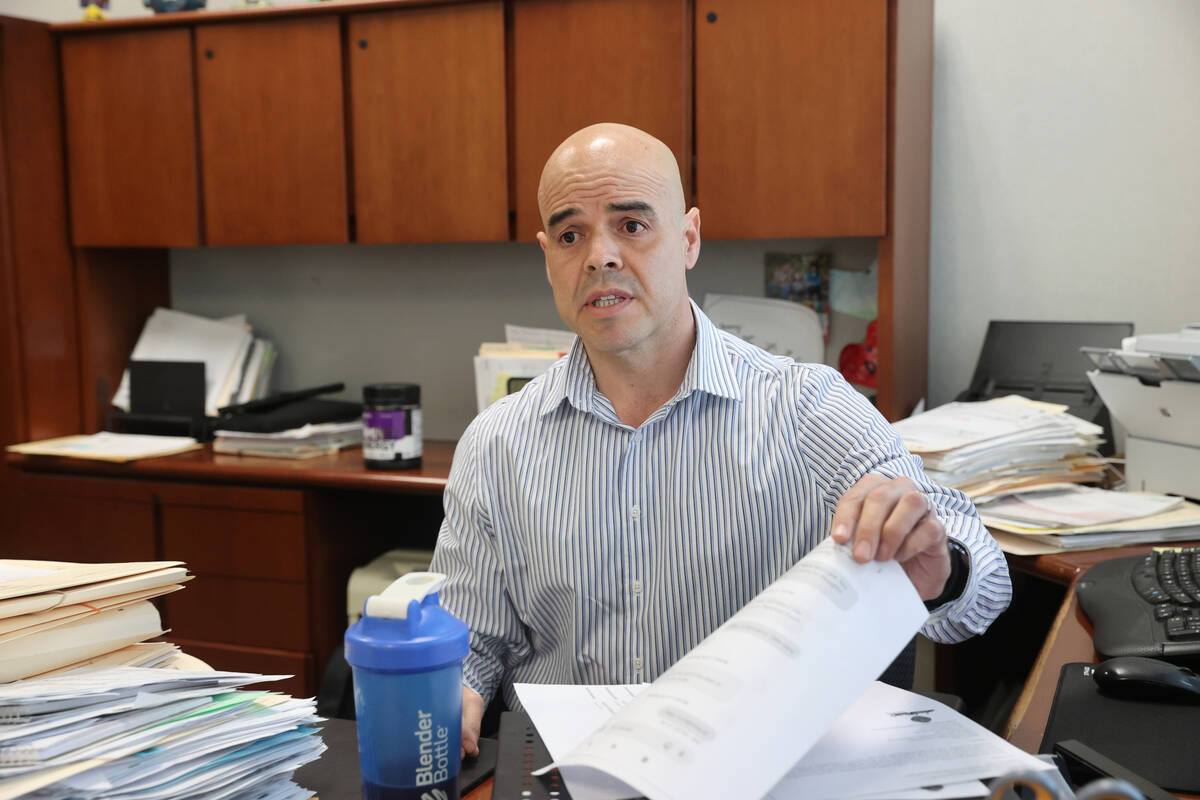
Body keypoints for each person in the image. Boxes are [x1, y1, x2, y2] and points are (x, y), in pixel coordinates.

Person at [430, 123, 1011, 757]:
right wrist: (450, 687)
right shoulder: (495, 445)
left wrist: (941, 566)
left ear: (688, 239)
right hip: (566, 774)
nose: (600, 256)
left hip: (757, 775)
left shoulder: (808, 410)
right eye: (571, 235)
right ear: (548, 258)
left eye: (631, 226)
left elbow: (984, 583)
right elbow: (470, 641)